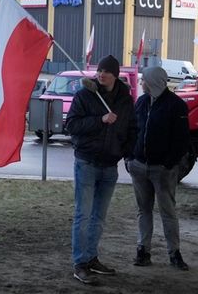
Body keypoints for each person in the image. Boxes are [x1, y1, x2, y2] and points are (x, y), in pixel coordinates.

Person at [66, 55, 137, 285]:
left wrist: (125, 152)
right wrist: (101, 119)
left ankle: (91, 257)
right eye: (99, 71)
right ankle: (79, 263)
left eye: (106, 71)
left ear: (115, 75)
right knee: (83, 214)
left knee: (99, 217)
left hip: (110, 166)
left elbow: (132, 129)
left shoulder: (125, 100)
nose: (101, 74)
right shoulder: (85, 95)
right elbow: (72, 126)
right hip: (86, 162)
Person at [127, 66, 190, 270]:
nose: (141, 83)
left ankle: (174, 253)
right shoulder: (142, 101)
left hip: (163, 170)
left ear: (152, 81)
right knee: (143, 210)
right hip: (138, 166)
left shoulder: (176, 106)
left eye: (144, 79)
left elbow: (181, 140)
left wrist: (169, 163)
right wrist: (130, 157)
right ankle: (142, 250)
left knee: (167, 211)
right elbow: (133, 130)